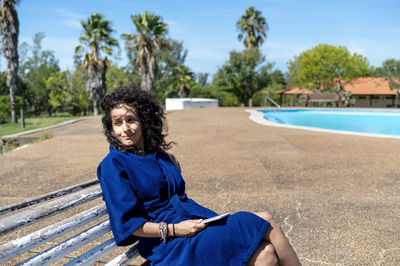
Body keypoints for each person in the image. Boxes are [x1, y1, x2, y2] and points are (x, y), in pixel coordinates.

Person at [97, 85, 301, 266]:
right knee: (266, 220)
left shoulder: (157, 155)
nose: (125, 129)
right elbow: (128, 224)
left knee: (266, 255)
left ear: (144, 120)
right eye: (117, 123)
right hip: (170, 242)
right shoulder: (113, 164)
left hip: (194, 223)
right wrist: (175, 230)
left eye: (131, 120)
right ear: (111, 127)